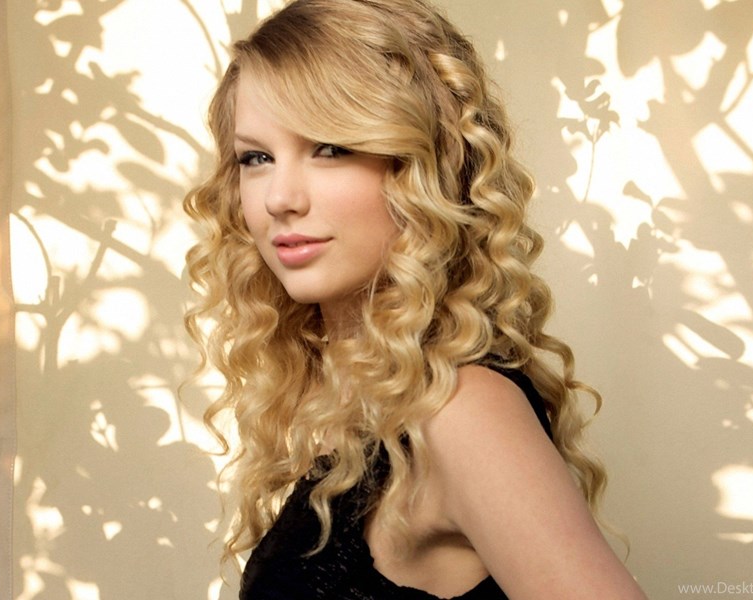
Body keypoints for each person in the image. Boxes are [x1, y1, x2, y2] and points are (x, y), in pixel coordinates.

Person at [184, 0, 647, 597]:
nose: (279, 198)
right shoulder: (356, 397)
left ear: (424, 167)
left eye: (330, 148)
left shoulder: (461, 410)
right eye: (256, 158)